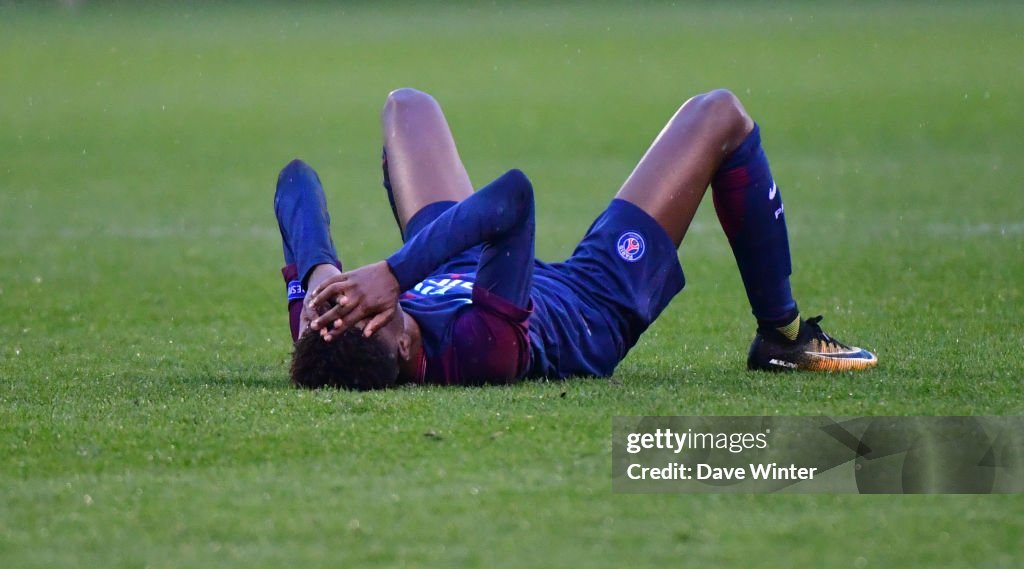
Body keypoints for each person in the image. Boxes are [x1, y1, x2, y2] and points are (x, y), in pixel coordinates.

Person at [274, 88, 877, 390]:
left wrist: (319, 272)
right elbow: (514, 198)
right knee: (719, 114)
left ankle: (785, 336)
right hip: (585, 303)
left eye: (352, 304)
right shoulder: (480, 352)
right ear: (408, 353)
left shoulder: (328, 332)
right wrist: (396, 275)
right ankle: (785, 337)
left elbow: (294, 181)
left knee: (407, 106)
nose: (369, 302)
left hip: (457, 261)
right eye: (390, 315)